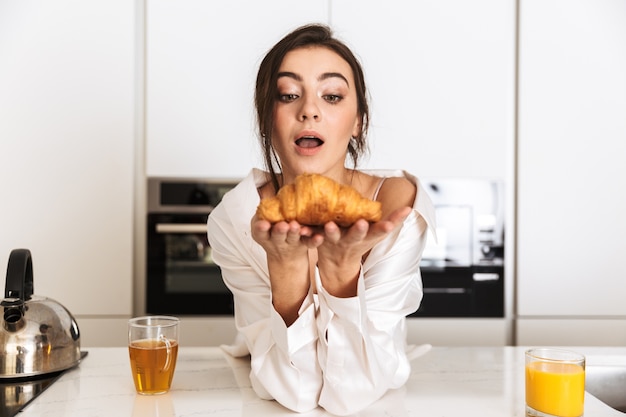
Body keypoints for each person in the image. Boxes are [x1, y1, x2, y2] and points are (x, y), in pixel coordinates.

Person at [207, 23, 435, 416]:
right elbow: (294, 394)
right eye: (288, 95)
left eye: (331, 96)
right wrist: (287, 271)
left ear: (358, 120)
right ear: (268, 120)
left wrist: (343, 273)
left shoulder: (395, 208)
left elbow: (353, 396)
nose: (309, 110)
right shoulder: (240, 218)